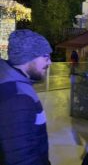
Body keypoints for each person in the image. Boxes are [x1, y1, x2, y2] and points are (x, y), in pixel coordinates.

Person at [0, 29, 52, 165]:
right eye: (45, 56)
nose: (50, 62)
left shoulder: (13, 83)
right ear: (28, 58)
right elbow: (21, 158)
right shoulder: (18, 98)